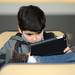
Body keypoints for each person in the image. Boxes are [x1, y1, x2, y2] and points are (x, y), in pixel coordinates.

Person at [0, 5, 75, 68]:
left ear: (43, 29)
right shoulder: (13, 42)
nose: (35, 38)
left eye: (39, 33)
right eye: (29, 34)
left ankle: (29, 59)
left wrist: (69, 52)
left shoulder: (52, 39)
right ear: (20, 29)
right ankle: (29, 59)